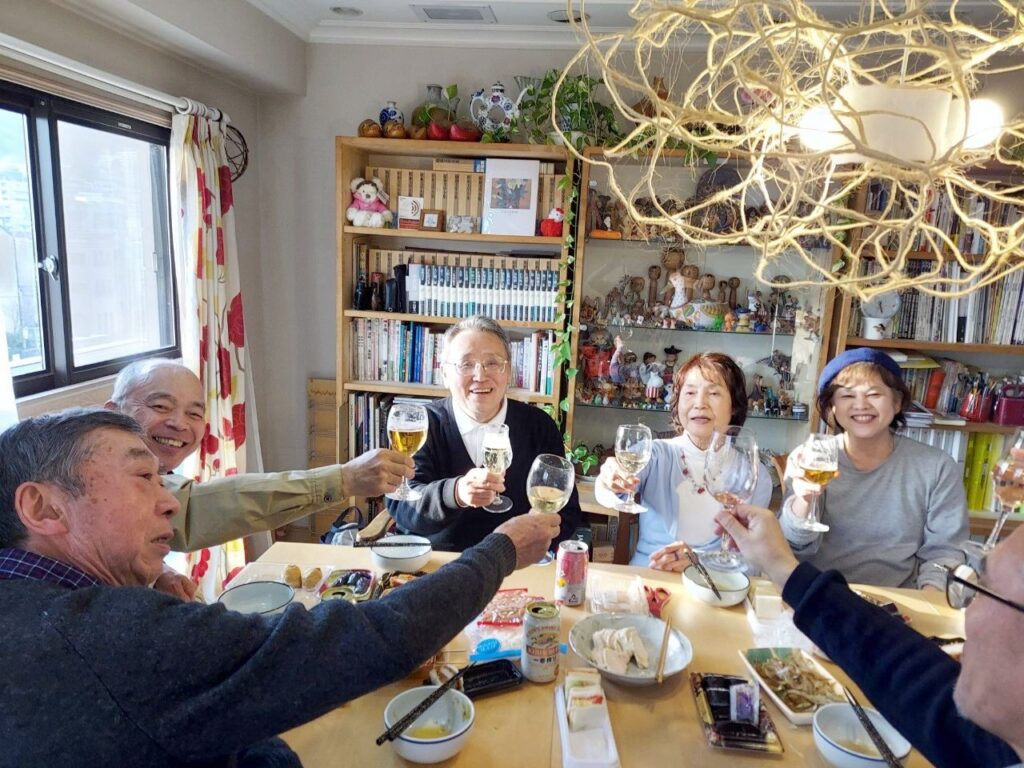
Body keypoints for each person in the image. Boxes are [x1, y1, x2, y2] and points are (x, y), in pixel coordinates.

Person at [0, 408, 561, 767]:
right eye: (144, 477)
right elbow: (371, 637)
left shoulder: (41, 605)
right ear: (41, 507)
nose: (170, 502)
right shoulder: (105, 636)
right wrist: (501, 550)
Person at [716, 500, 1023, 768]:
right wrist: (783, 568)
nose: (968, 614)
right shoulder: (998, 742)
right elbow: (910, 676)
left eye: (987, 590)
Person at [106, 359, 415, 553]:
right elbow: (194, 509)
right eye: (160, 406)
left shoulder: (151, 472)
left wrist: (160, 575)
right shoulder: (105, 476)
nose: (179, 423)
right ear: (113, 412)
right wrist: (344, 479)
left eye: (194, 413)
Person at [780, 347, 968, 590]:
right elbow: (792, 545)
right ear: (832, 407)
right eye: (847, 396)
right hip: (820, 595)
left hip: (898, 599)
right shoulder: (811, 459)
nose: (861, 405)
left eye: (874, 394)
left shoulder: (936, 467)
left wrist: (926, 602)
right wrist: (804, 500)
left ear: (897, 402)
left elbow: (945, 552)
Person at [387, 316, 581, 551]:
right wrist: (456, 493)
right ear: (445, 374)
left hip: (514, 561)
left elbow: (567, 512)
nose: (480, 375)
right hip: (437, 562)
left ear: (508, 372)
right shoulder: (420, 425)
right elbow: (402, 507)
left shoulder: (539, 426)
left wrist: (543, 531)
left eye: (492, 363)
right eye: (466, 364)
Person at [594, 352, 771, 569]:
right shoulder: (655, 453)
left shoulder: (754, 475)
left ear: (734, 405)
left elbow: (751, 559)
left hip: (716, 584)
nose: (700, 403)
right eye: (690, 392)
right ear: (678, 403)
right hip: (649, 575)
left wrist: (698, 565)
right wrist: (609, 479)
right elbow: (606, 492)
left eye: (713, 393)